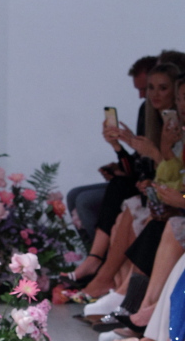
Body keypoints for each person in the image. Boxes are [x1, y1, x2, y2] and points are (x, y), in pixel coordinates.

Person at [66, 55, 156, 256]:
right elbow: (140, 160)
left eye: (146, 89)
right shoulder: (146, 109)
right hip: (137, 178)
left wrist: (128, 148)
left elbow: (155, 164)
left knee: (86, 201)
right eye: (140, 90)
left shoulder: (161, 115)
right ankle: (93, 256)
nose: (142, 95)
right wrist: (118, 150)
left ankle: (99, 260)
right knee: (74, 195)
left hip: (151, 184)